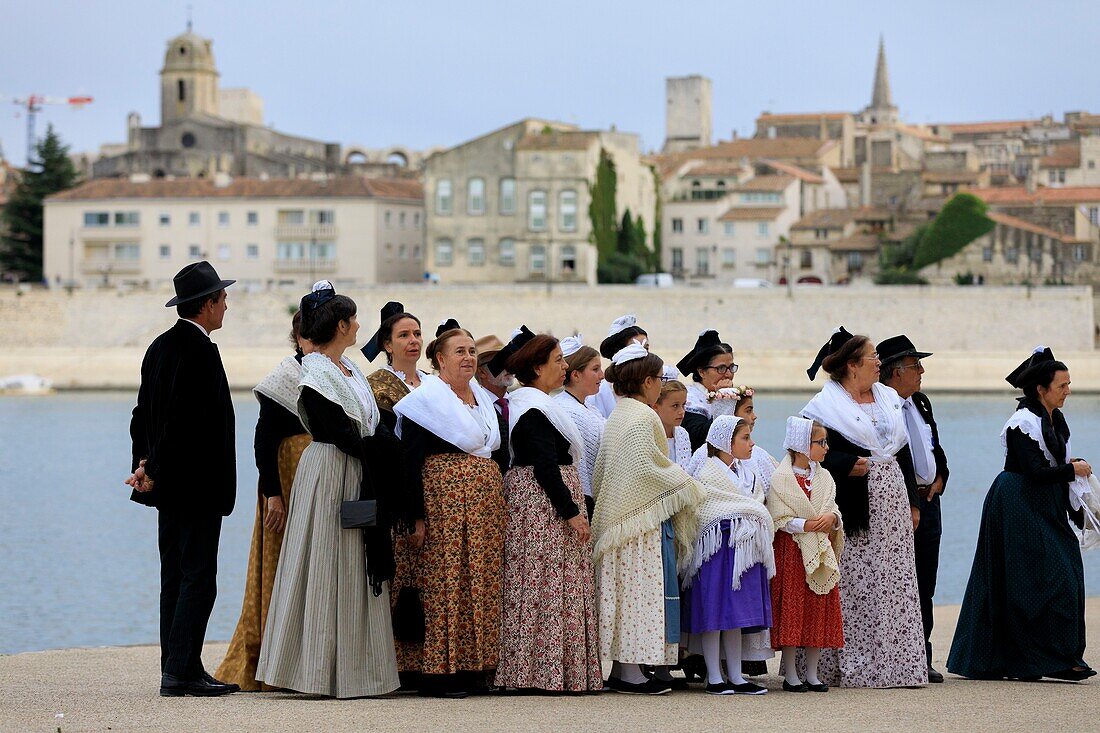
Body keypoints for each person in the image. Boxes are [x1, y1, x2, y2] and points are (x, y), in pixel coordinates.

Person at [256, 282, 401, 698]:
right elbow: (335, 429)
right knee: (325, 562)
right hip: (331, 471)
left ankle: (358, 670)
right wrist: (377, 446)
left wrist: (382, 438)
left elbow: (371, 422)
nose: (358, 325)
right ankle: (317, 672)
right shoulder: (316, 371)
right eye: (353, 319)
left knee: (355, 562)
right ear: (340, 325)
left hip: (356, 470)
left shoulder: (349, 368)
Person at [948, 347, 1095, 682]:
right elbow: (1034, 471)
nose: (1068, 391)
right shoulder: (1021, 424)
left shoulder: (1056, 419)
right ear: (1041, 389)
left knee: (1067, 573)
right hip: (1016, 502)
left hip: (1044, 503)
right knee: (1026, 581)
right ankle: (1031, 660)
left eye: (1069, 384)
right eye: (1062, 386)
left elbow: (1055, 470)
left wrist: (1077, 507)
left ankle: (1061, 657)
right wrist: (1072, 470)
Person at [126, 261, 238, 697]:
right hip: (196, 487)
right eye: (223, 299)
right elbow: (178, 422)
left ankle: (178, 664)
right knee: (198, 577)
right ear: (207, 305)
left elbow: (143, 417)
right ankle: (181, 672)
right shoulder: (198, 351)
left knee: (174, 575)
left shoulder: (159, 347)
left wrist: (144, 466)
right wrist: (153, 469)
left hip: (169, 487)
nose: (226, 306)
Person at [799, 326, 926, 688]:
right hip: (852, 502)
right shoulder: (825, 405)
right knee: (857, 583)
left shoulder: (887, 397)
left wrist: (914, 504)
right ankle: (856, 665)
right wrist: (843, 463)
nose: (879, 363)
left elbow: (903, 453)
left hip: (893, 498)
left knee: (896, 581)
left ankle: (899, 666)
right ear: (853, 366)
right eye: (873, 358)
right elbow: (807, 453)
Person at [392, 321, 505, 698]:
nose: (469, 358)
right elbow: (410, 463)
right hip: (445, 505)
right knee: (447, 584)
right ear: (440, 359)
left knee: (482, 583)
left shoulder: (484, 402)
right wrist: (415, 516)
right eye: (460, 352)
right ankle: (442, 671)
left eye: (472, 352)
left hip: (484, 507)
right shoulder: (425, 402)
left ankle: (476, 667)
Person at [492, 327, 602, 693]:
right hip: (542, 506)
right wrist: (571, 511)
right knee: (544, 583)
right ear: (538, 368)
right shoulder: (531, 408)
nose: (565, 366)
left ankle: (550, 671)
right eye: (558, 361)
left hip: (547, 502)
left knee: (553, 584)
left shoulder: (539, 404)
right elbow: (544, 466)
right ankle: (538, 673)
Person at [591, 343, 706, 695]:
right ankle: (630, 672)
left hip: (623, 518)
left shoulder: (620, 414)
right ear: (644, 381)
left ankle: (626, 669)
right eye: (658, 378)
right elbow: (647, 468)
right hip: (636, 522)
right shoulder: (642, 417)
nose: (661, 383)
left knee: (625, 596)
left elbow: (606, 472)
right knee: (639, 596)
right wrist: (686, 483)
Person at [215, 311, 313, 691]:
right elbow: (263, 441)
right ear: (300, 336)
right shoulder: (284, 378)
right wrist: (273, 493)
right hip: (286, 484)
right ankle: (272, 661)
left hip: (320, 479)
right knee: (279, 562)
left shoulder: (343, 372)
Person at [680, 416, 775, 696]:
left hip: (745, 548)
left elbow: (756, 502)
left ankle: (735, 674)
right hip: (717, 549)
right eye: (745, 438)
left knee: (736, 614)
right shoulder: (708, 472)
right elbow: (706, 507)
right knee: (714, 611)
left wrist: (746, 516)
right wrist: (742, 515)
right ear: (725, 442)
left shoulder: (749, 472)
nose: (752, 443)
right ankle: (714, 675)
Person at [878, 334, 949, 683]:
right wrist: (911, 498)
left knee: (927, 582)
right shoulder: (881, 407)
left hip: (930, 499)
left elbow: (933, 445)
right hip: (903, 504)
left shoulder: (920, 402)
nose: (921, 371)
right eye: (914, 366)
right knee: (900, 582)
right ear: (895, 373)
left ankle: (924, 653)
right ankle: (898, 654)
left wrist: (940, 478)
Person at [768, 417, 844, 693]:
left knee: (816, 609)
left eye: (825, 442)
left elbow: (833, 507)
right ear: (802, 446)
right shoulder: (781, 478)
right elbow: (779, 516)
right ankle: (791, 674)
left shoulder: (823, 477)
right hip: (792, 550)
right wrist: (807, 524)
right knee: (793, 608)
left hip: (819, 550)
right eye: (820, 442)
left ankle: (812, 673)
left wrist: (832, 518)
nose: (825, 448)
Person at [552, 334, 606, 520]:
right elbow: (578, 462)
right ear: (575, 375)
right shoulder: (565, 409)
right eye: (595, 369)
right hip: (580, 500)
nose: (602, 375)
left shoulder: (591, 409)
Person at [363, 300, 426, 430]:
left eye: (417, 334)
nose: (414, 340)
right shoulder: (374, 385)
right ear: (388, 345)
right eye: (404, 335)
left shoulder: (432, 381)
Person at [678, 329, 738, 450]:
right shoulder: (689, 399)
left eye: (731, 367)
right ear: (702, 372)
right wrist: (723, 400)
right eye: (721, 368)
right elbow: (698, 439)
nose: (728, 374)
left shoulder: (734, 396)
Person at [588, 314, 649, 418]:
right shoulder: (600, 393)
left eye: (646, 348)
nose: (643, 354)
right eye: (635, 348)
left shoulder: (652, 385)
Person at [474, 332, 514, 472]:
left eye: (509, 361)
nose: (508, 367)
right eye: (500, 363)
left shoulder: (520, 401)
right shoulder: (475, 406)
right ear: (482, 372)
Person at [654, 369, 693, 470]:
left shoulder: (682, 434)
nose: (681, 411)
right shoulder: (650, 435)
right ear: (656, 406)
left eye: (683, 405)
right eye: (675, 405)